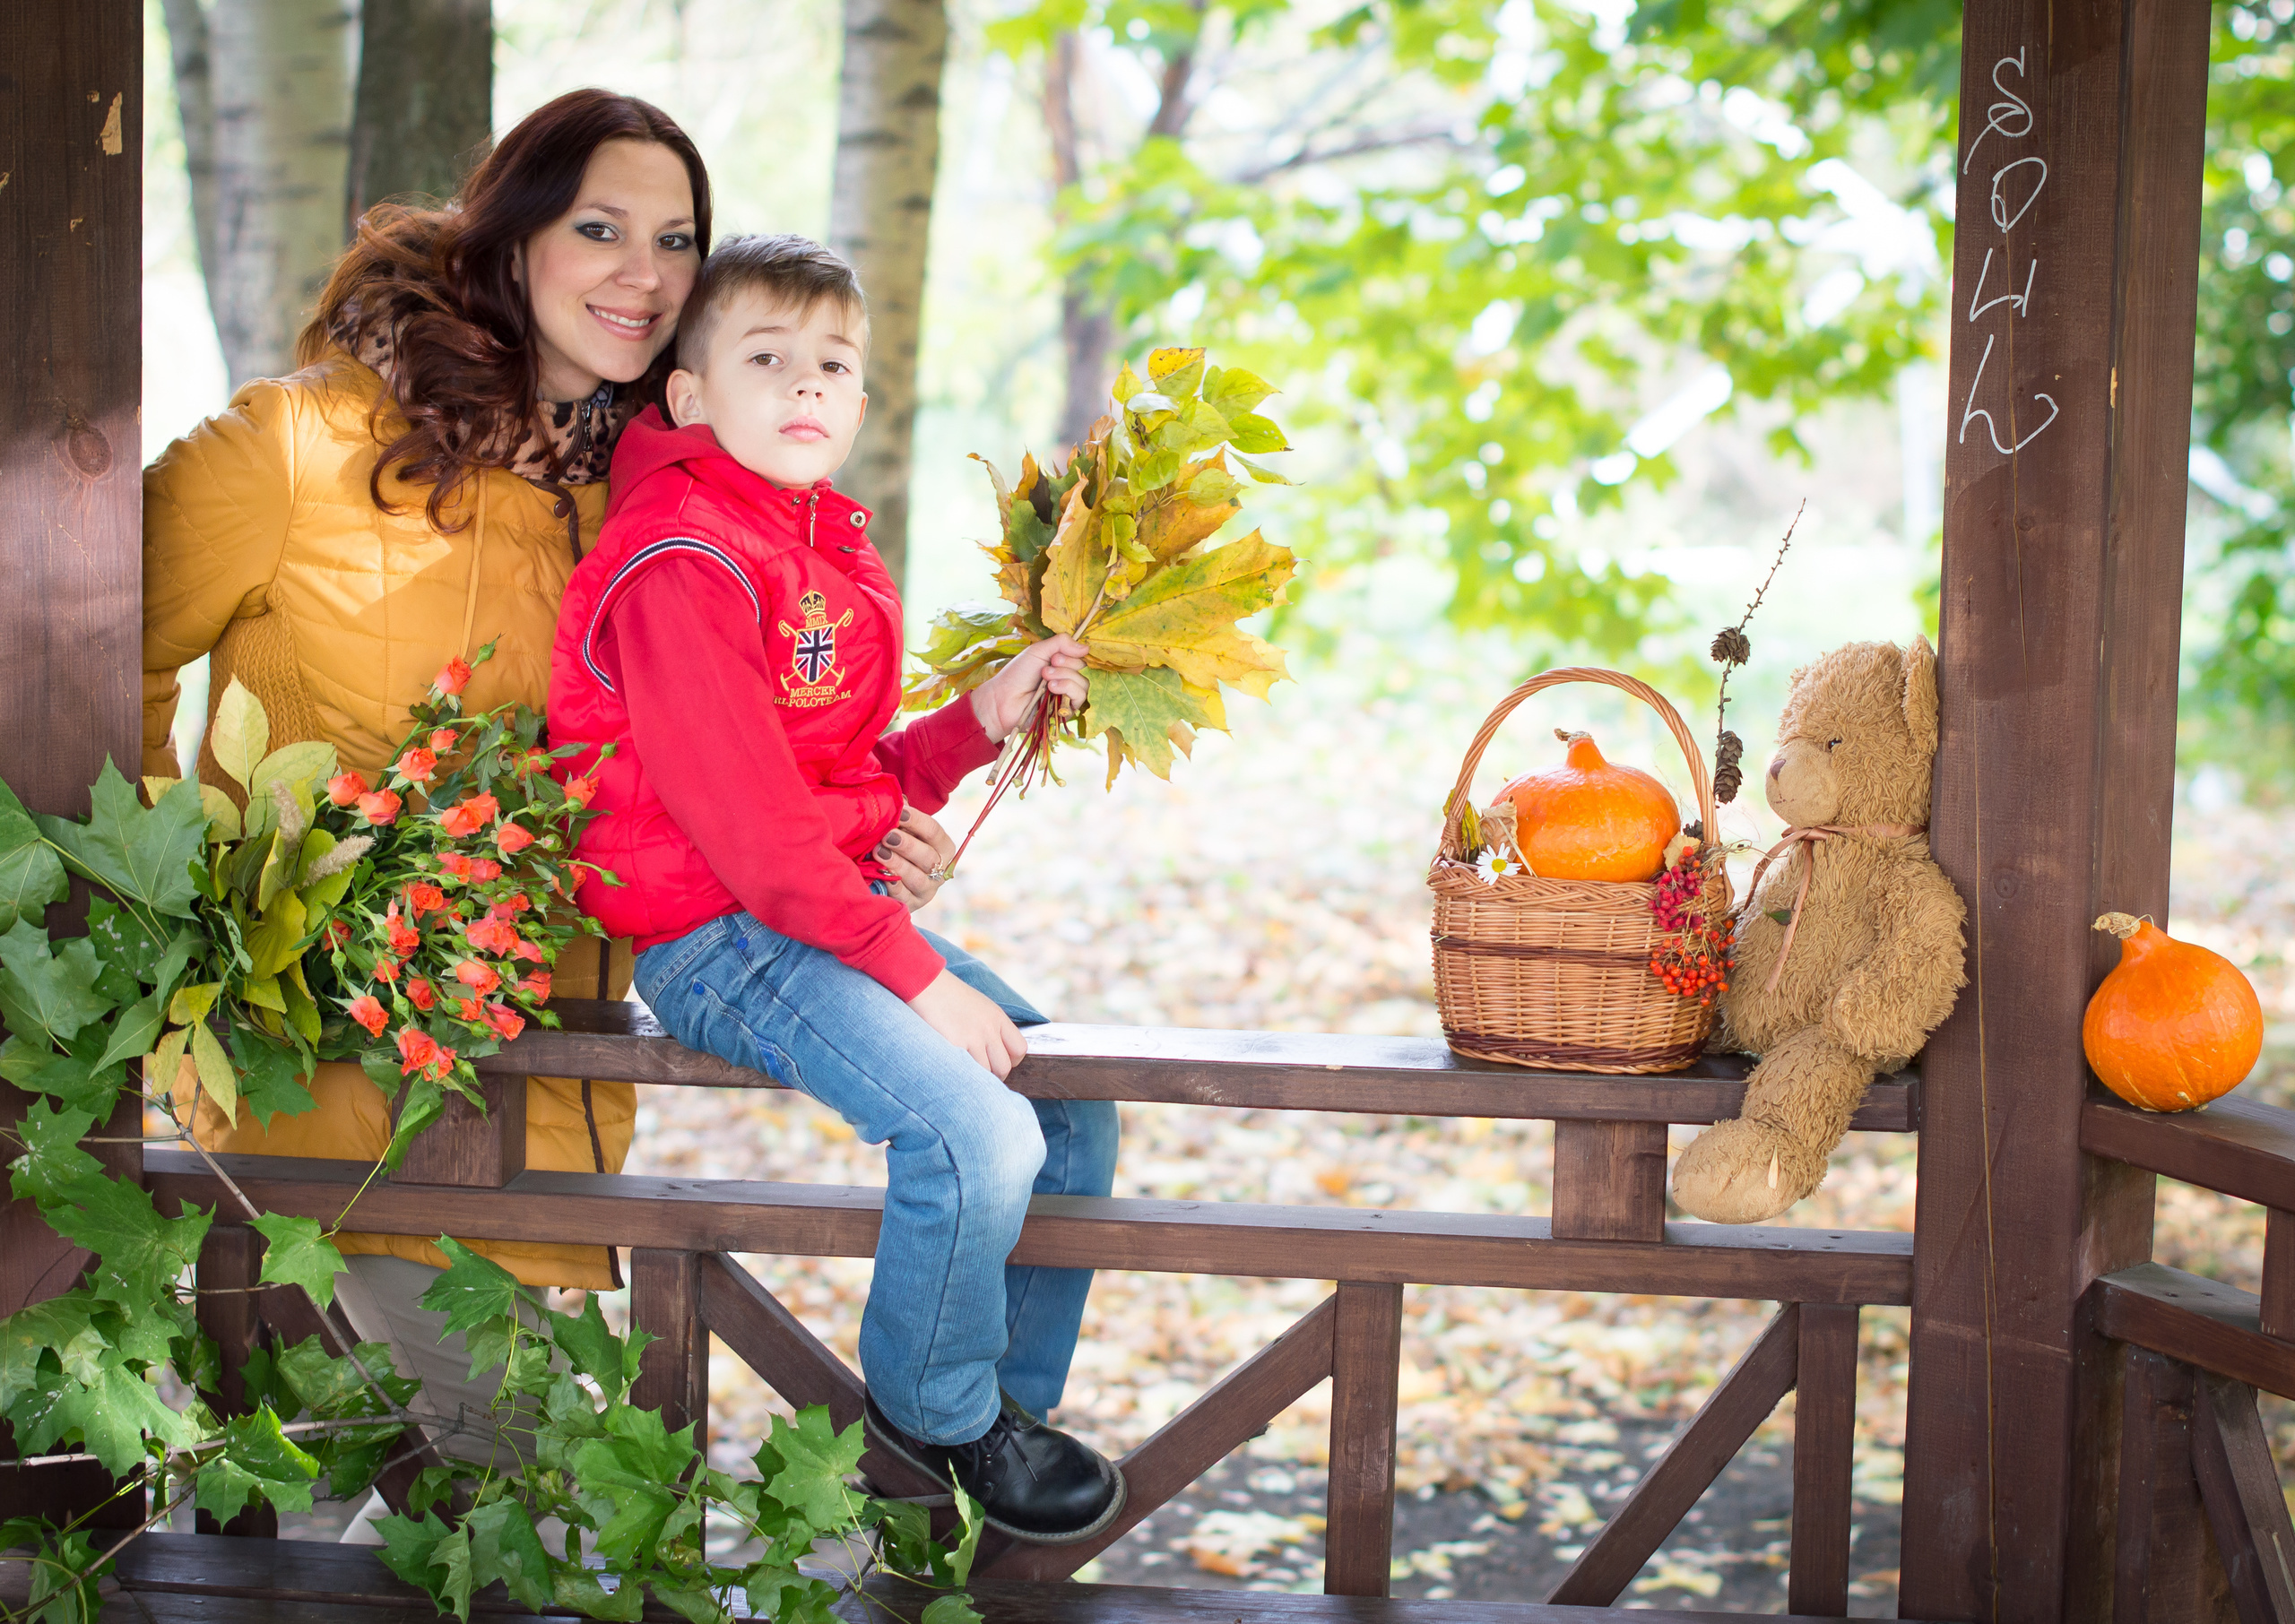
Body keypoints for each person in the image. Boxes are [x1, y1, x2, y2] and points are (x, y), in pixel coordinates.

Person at [140, 90, 709, 1491]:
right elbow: (68, 655)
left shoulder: (642, 512)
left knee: (443, 1530)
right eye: (601, 228)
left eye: (679, 239)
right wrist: (185, 907)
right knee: (535, 1515)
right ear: (511, 237)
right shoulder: (297, 447)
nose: (646, 274)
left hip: (543, 1103)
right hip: (323, 1107)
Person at [547, 233, 1125, 1544]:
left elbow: (845, 775)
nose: (805, 388)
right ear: (690, 397)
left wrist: (985, 713)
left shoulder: (813, 544)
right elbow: (751, 828)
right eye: (767, 360)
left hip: (795, 916)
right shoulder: (686, 558)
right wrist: (914, 974)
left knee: (1074, 1111)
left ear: (861, 403)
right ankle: (932, 1421)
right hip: (717, 936)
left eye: (832, 366)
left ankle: (992, 1428)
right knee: (977, 1133)